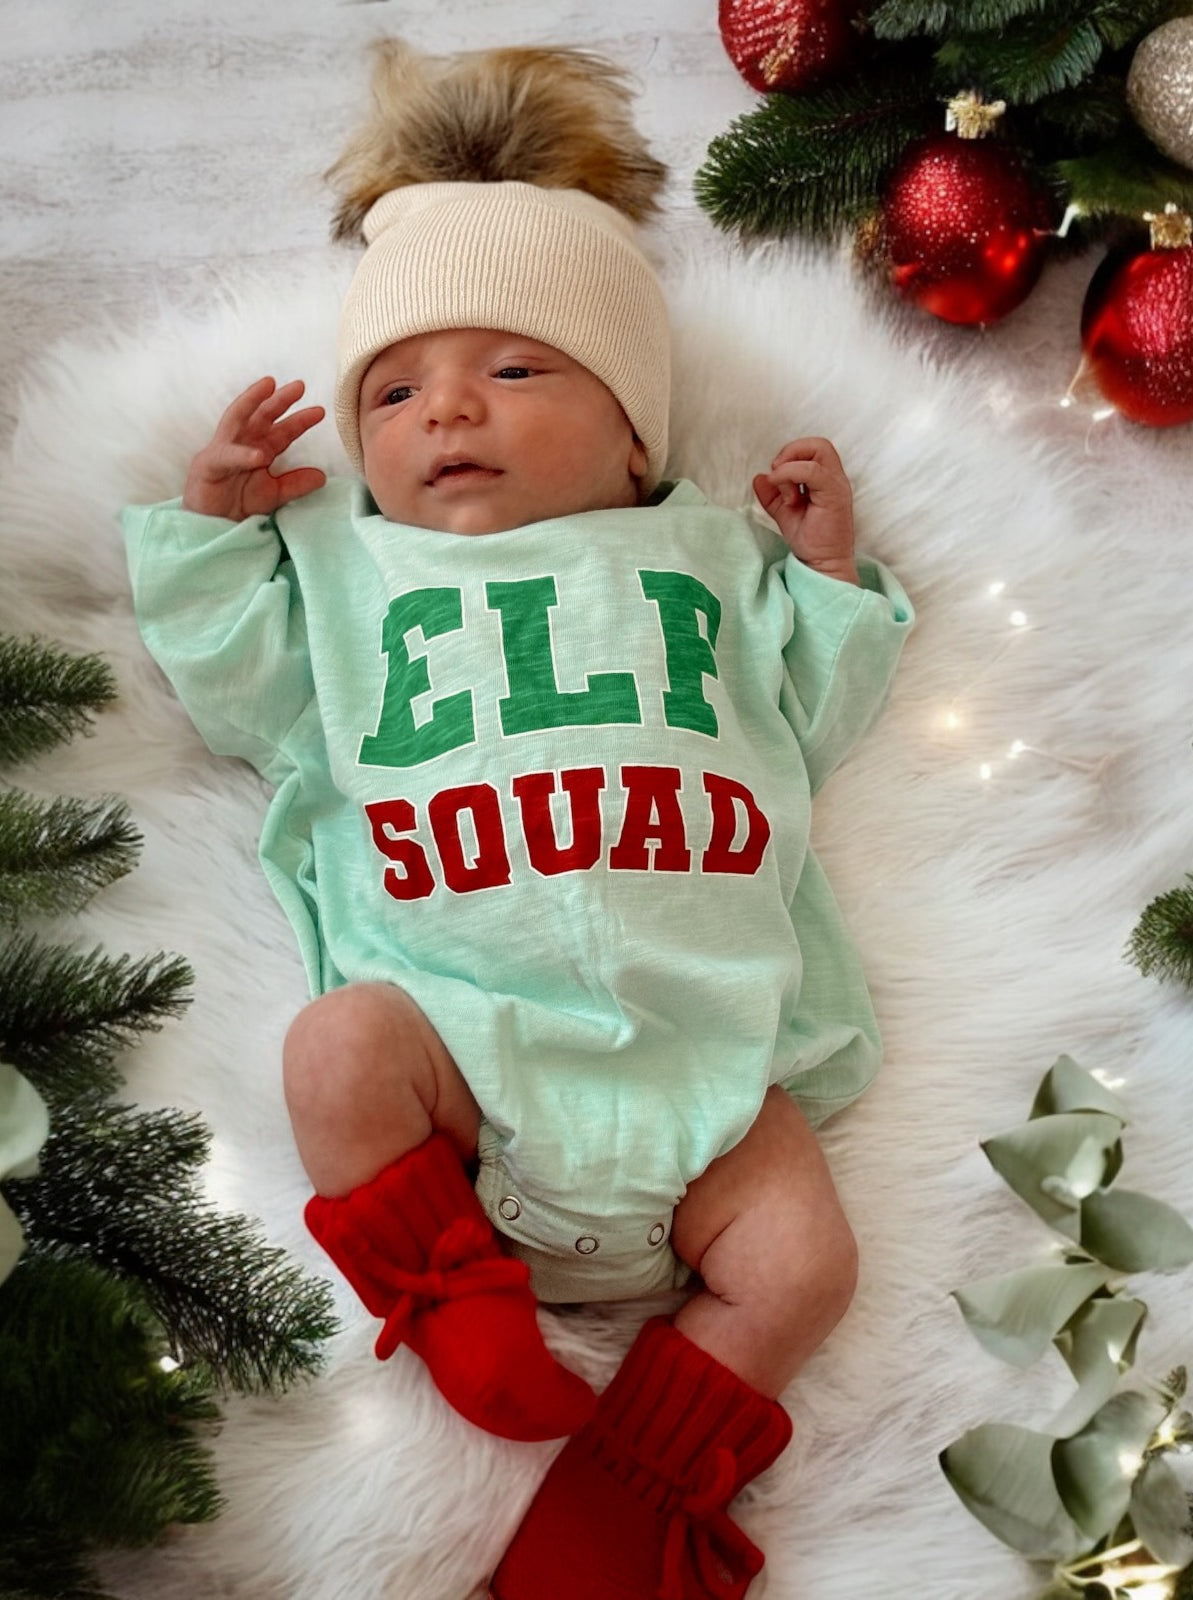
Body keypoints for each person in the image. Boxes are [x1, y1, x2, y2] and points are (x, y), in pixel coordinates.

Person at [122, 41, 913, 1600]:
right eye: (396, 391)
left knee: (806, 1260)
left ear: (634, 435)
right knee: (335, 1047)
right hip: (461, 1068)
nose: (448, 411)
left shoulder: (700, 554)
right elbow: (242, 698)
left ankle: (628, 1497)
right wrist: (211, 546)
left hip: (703, 1085)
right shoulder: (350, 577)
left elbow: (807, 727)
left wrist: (824, 584)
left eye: (516, 368)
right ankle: (457, 1310)